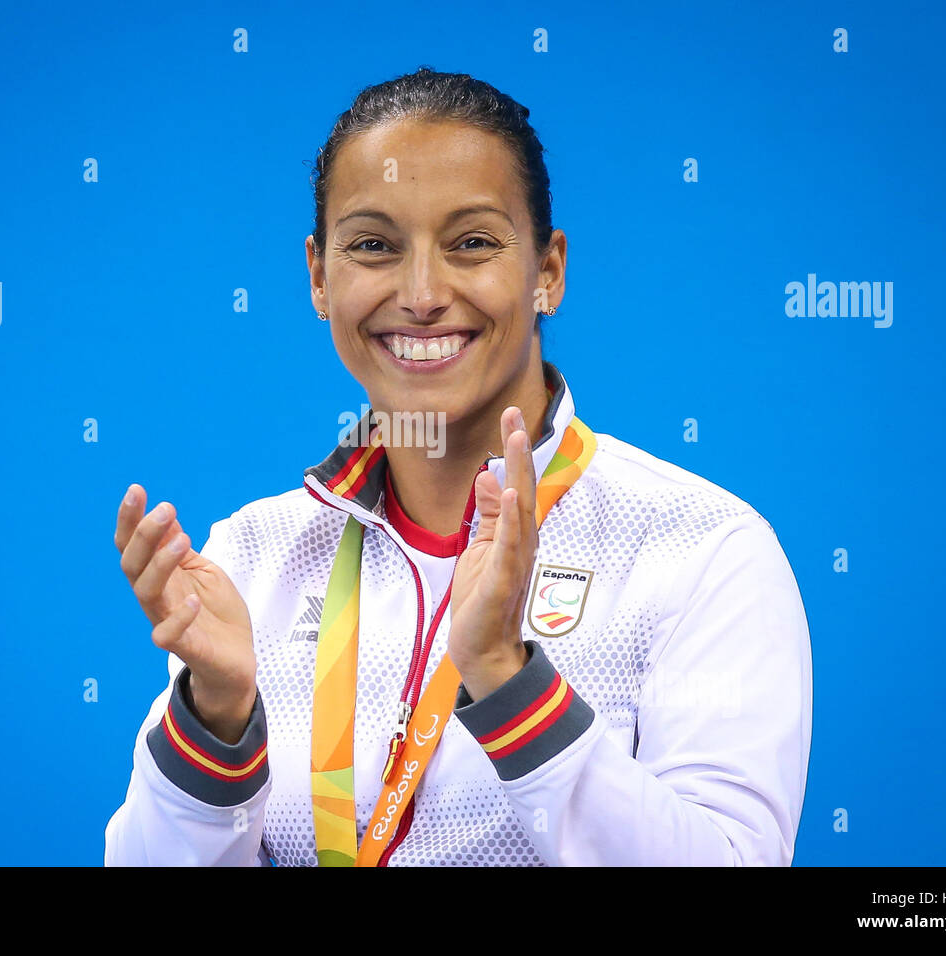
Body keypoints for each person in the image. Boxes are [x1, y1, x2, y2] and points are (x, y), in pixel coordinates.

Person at [103, 67, 812, 866]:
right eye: (373, 245)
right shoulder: (253, 556)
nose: (422, 293)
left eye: (471, 242)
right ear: (318, 277)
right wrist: (218, 715)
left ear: (547, 271)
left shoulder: (701, 549)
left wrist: (509, 682)